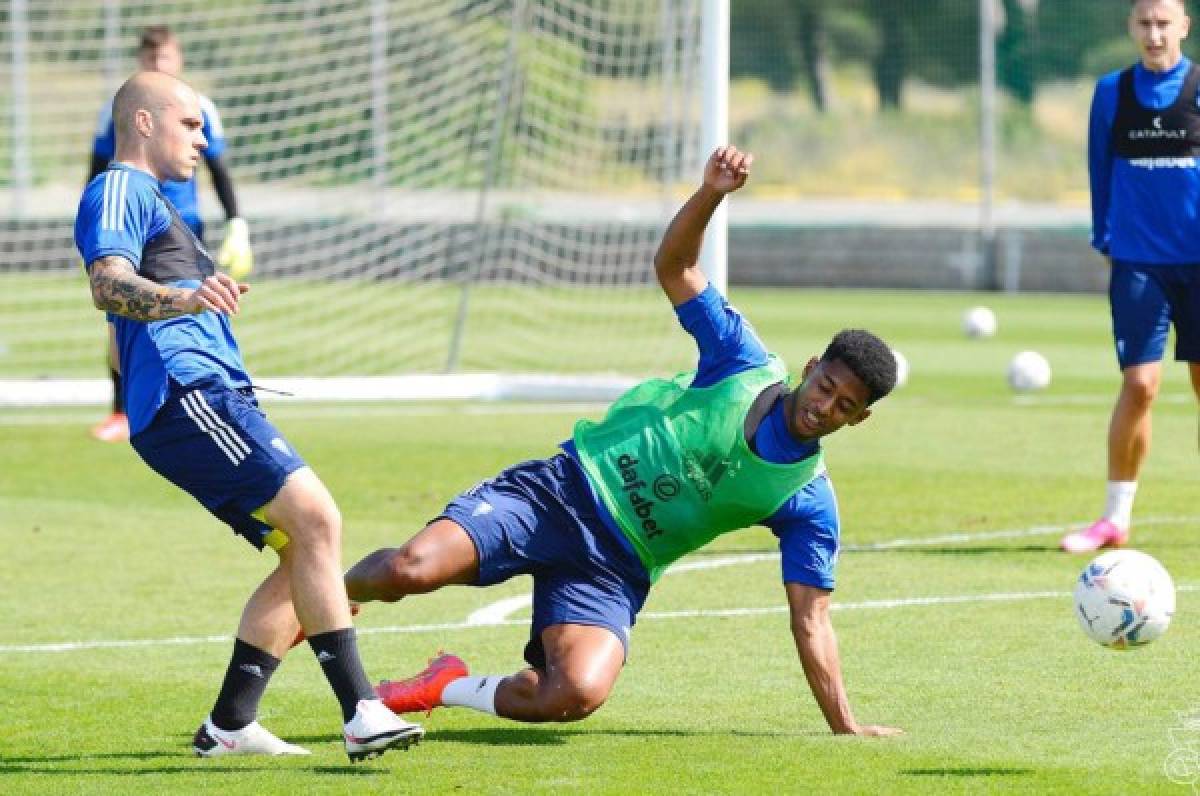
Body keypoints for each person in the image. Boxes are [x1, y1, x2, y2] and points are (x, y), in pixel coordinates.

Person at [345, 145, 904, 737]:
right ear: (812, 367)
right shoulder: (742, 360)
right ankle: (314, 595)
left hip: (616, 565)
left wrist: (845, 725)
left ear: (858, 420)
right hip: (560, 493)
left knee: (576, 693)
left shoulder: (808, 501)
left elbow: (811, 619)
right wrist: (712, 192)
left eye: (845, 407)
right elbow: (675, 268)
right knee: (409, 570)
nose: (825, 407)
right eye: (826, 387)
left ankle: (443, 685)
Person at [73, 70, 421, 761]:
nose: (204, 139)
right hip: (189, 396)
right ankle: (361, 712)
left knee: (304, 548)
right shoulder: (120, 188)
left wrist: (169, 331)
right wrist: (184, 307)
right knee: (318, 519)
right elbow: (106, 285)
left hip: (198, 394)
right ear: (144, 122)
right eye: (191, 124)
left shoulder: (162, 206)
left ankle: (230, 723)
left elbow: (119, 343)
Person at [1062, 0, 1200, 553]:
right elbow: (1100, 168)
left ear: (1184, 27)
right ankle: (1114, 518)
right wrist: (1105, 236)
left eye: (1164, 22)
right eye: (1144, 23)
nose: (1154, 33)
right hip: (1139, 262)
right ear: (1131, 28)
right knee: (1140, 385)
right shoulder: (1111, 93)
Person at [88, 25, 252, 443]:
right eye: (152, 59)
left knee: (197, 313)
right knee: (120, 323)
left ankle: (201, 398)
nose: (159, 65)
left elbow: (219, 169)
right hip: (131, 228)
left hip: (183, 227)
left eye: (166, 58)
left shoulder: (201, 108)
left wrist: (237, 221)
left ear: (178, 60)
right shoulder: (120, 110)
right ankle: (123, 412)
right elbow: (98, 168)